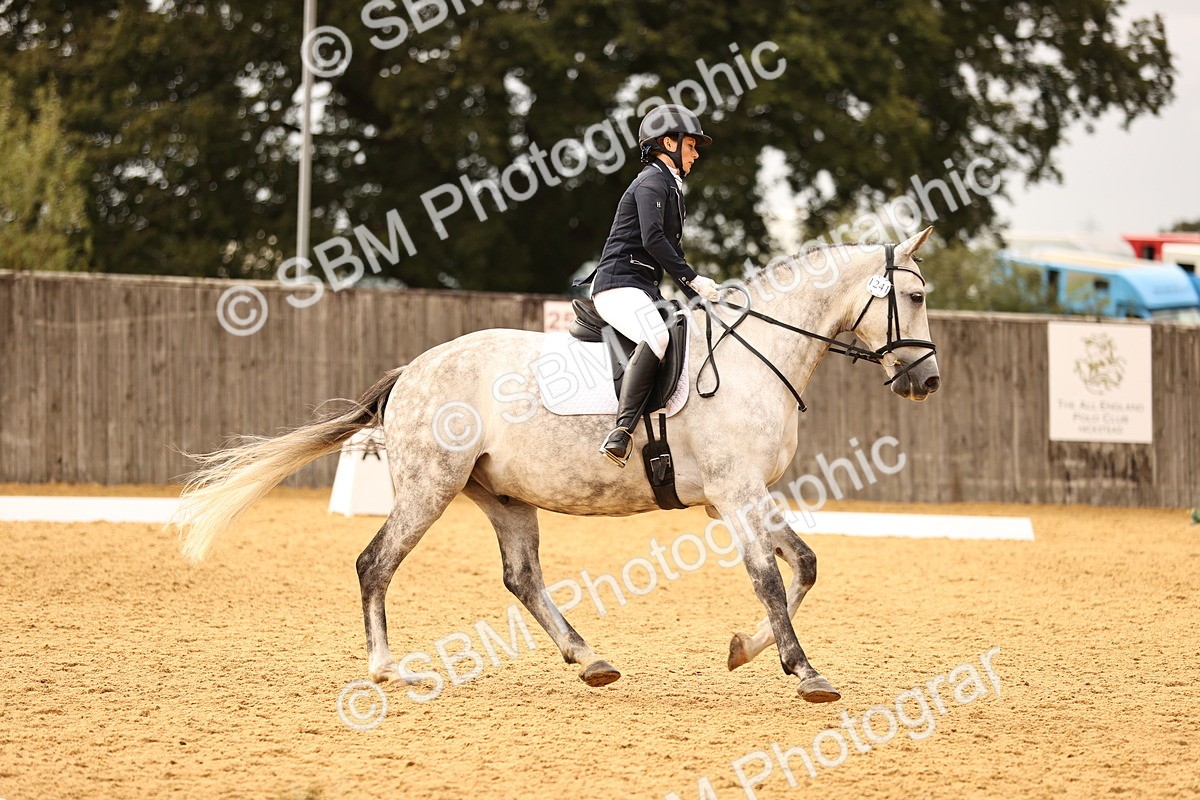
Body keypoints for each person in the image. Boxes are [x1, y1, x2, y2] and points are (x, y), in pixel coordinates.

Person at [585, 104, 721, 467]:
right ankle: (622, 431)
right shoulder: (651, 181)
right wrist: (693, 279)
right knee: (658, 337)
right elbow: (653, 240)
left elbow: (668, 250)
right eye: (691, 146)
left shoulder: (671, 188)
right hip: (617, 284)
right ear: (668, 143)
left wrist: (702, 298)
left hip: (643, 287)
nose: (695, 155)